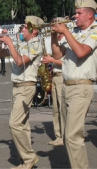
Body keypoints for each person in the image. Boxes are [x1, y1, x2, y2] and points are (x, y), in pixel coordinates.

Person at [51, 0, 97, 169]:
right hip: (67, 86)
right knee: (67, 135)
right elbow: (57, 55)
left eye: (79, 13)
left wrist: (66, 31)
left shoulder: (95, 31)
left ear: (90, 15)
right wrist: (54, 36)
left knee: (73, 136)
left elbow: (81, 52)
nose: (75, 16)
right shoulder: (75, 32)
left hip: (81, 86)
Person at [0, 16, 43, 169]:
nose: (22, 29)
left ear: (34, 31)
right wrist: (0, 41)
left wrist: (10, 43)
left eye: (25, 27)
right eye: (22, 26)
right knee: (22, 124)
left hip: (26, 86)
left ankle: (29, 158)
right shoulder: (23, 43)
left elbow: (19, 61)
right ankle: (25, 161)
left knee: (14, 123)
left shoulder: (36, 43)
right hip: (17, 86)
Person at [42, 17, 67, 146]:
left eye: (57, 23)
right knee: (55, 108)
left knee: (63, 108)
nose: (54, 25)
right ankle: (58, 135)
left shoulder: (69, 40)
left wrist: (52, 61)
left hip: (64, 76)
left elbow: (67, 63)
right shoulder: (56, 41)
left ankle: (64, 135)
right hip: (56, 76)